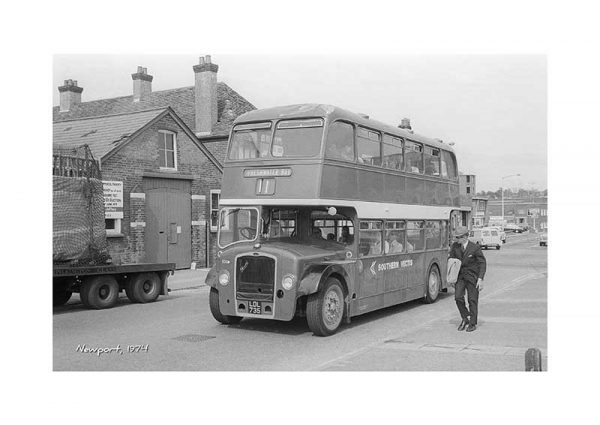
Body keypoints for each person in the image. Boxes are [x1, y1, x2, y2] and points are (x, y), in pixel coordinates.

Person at [449, 226, 487, 332]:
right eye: (456, 237)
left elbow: (482, 263)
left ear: (465, 236)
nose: (457, 240)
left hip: (472, 278)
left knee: (472, 300)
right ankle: (465, 317)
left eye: (459, 237)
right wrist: (451, 278)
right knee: (458, 297)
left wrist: (480, 279)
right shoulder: (455, 247)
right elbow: (451, 262)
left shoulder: (475, 248)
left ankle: (472, 323)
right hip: (460, 277)